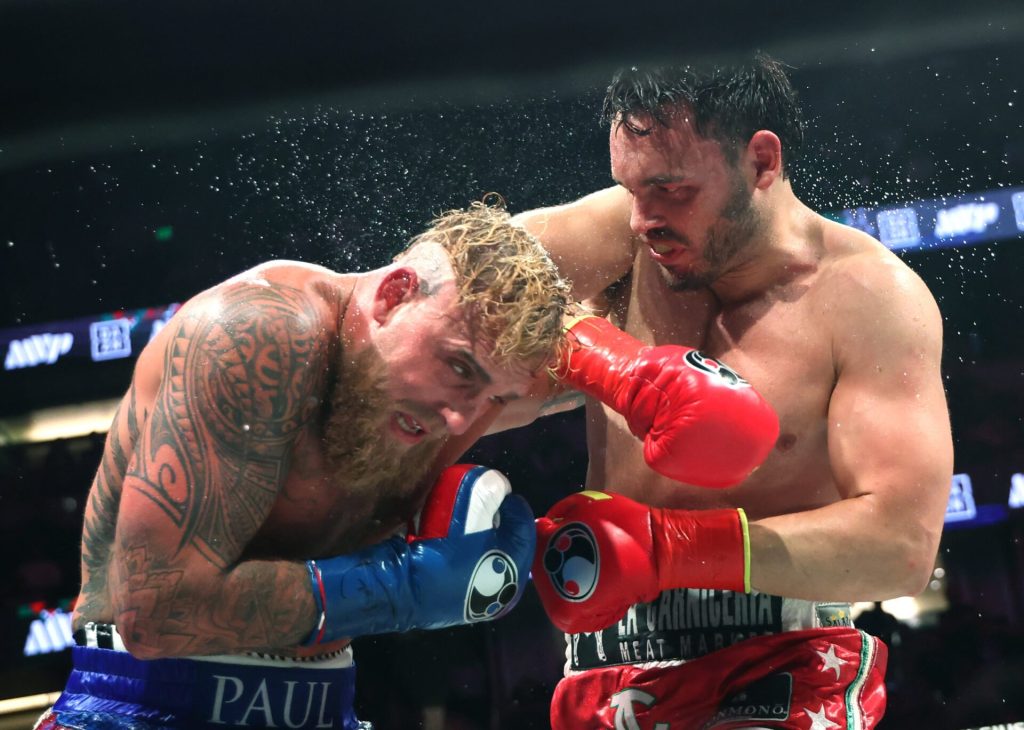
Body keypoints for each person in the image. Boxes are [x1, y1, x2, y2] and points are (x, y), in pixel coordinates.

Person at [517, 54, 954, 728]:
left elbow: (901, 545)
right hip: (606, 668)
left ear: (761, 162)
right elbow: (449, 284)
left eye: (671, 188)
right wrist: (595, 355)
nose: (642, 218)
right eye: (630, 188)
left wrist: (667, 549)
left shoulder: (869, 297)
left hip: (785, 660)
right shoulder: (626, 236)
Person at [35, 200, 574, 730]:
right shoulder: (258, 337)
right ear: (394, 294)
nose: (461, 421)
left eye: (494, 397)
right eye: (457, 366)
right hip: (148, 707)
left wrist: (616, 373)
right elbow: (155, 615)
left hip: (326, 704)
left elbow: (619, 232)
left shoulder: (454, 396)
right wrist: (407, 587)